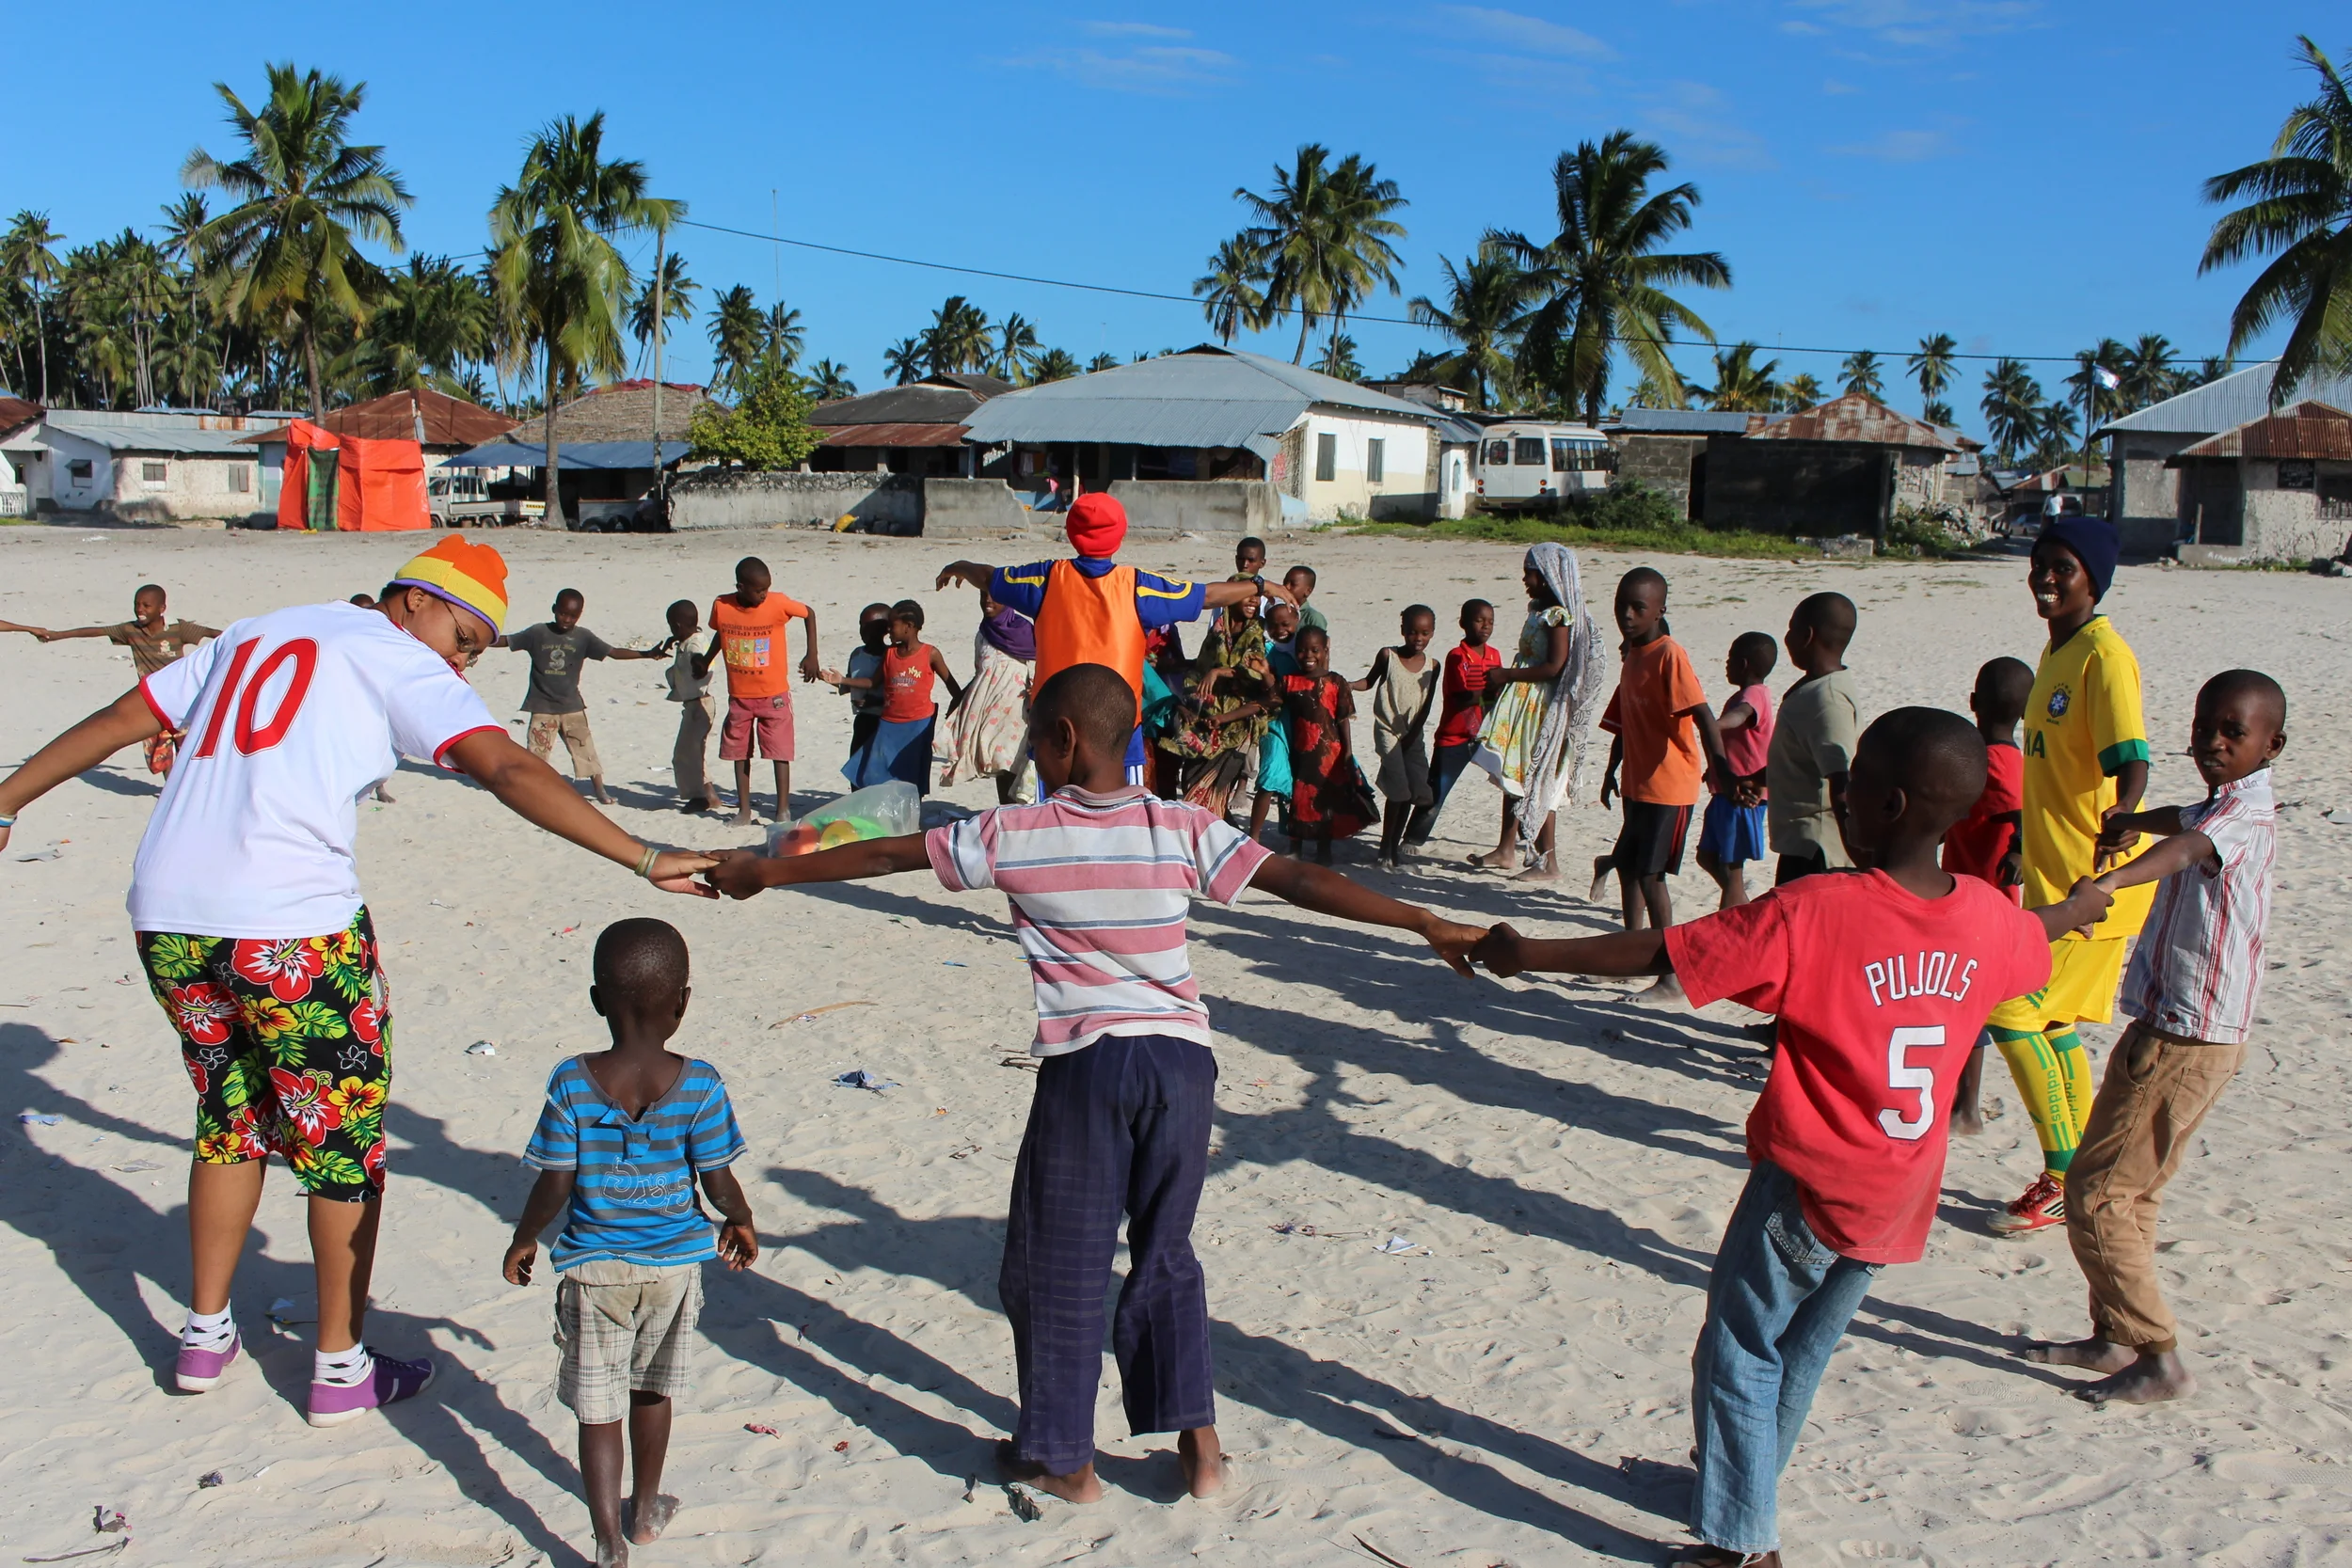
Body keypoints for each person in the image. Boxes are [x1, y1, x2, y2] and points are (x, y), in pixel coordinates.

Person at [704, 662, 1486, 1505]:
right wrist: (1421, 919)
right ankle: (1202, 1449)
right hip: (1184, 1065)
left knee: (1054, 1264)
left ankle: (1065, 1460)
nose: (1034, 749)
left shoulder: (1015, 830)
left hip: (1092, 1066)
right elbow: (1294, 878)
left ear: (1064, 740)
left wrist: (765, 869)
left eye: (1038, 735)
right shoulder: (1178, 821)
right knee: (1165, 1252)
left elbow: (892, 853)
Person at [0, 536, 715, 1426]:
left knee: (230, 1116)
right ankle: (339, 1366)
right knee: (342, 1146)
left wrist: (8, 797)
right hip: (291, 925)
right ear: (415, 599)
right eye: (464, 637)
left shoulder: (258, 632)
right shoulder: (394, 653)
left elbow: (124, 716)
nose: (462, 661)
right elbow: (509, 766)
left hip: (169, 913)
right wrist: (642, 855)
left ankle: (204, 1333)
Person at [1470, 707, 2110, 1568]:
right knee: (1801, 1350)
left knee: (1738, 1346)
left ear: (1880, 804)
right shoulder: (1989, 917)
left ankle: (1743, 1541)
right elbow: (2041, 933)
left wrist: (1532, 954)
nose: (1838, 799)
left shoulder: (1817, 909)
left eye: (1850, 788)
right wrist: (2083, 904)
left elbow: (1669, 950)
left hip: (1809, 1185)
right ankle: (1742, 1486)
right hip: (1901, 1190)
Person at [2025, 670, 2282, 1406]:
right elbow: (2186, 819)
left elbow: (2190, 846)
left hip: (2187, 1037)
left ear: (2273, 744)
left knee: (2098, 1193)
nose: (2215, 741)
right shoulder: (2224, 803)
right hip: (2172, 1022)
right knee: (2128, 1192)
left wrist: (2109, 884)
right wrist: (2140, 820)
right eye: (2206, 725)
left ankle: (2159, 1352)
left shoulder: (2244, 816)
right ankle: (2114, 1335)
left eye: (2234, 731)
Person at [503, 918, 756, 1568]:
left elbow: (555, 1181)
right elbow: (718, 1177)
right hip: (672, 1268)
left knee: (597, 1408)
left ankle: (607, 1541)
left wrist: (525, 1237)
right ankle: (644, 1510)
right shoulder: (699, 1082)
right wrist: (741, 1218)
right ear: (682, 1002)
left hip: (594, 1269)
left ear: (597, 1000)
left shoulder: (572, 1080)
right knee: (651, 1389)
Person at [1986, 518, 2154, 1237]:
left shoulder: (2105, 657)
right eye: (2037, 564)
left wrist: (2123, 813)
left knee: (2005, 1009)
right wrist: (2025, 840)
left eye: (2061, 567)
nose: (2044, 578)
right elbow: (2051, 769)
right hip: (2056, 883)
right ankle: (2078, 1165)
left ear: (2093, 579)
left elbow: (2132, 758)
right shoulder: (2056, 651)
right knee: (2051, 1024)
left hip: (2096, 889)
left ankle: (2063, 1175)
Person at [935, 493, 1279, 787]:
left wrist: (958, 564)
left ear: (1071, 532)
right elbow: (1207, 596)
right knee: (1114, 822)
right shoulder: (1137, 586)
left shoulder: (1044, 579)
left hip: (1056, 725)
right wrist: (1260, 586)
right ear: (1120, 535)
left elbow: (988, 576)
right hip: (1116, 728)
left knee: (1058, 822)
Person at [1595, 570, 1732, 975]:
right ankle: (1630, 948)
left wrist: (1720, 768)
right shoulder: (1633, 656)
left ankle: (1669, 970)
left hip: (1670, 788)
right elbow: (1623, 724)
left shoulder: (1669, 654)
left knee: (1653, 878)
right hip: (1638, 784)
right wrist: (1611, 770)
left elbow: (1704, 715)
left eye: (1639, 607)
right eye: (1622, 605)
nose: (1628, 615)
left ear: (1660, 610)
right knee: (1628, 869)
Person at [1468, 544, 1609, 878]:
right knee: (1513, 775)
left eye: (1529, 572)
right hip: (1524, 703)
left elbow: (1555, 667)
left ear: (1546, 577)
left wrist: (1508, 675)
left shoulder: (1559, 616)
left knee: (1539, 779)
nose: (1524, 579)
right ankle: (1505, 850)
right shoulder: (1539, 611)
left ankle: (1547, 861)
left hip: (1541, 707)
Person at [1943, 656, 2034, 1134]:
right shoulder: (2005, 758)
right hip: (1975, 891)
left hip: (1979, 898)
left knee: (1968, 1001)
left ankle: (1967, 1108)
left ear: (1973, 702)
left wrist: (2018, 849)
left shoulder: (1994, 761)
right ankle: (1959, 1100)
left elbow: (2023, 814)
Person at [37, 584, 219, 775]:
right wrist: (57, 635)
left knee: (191, 748)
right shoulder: (130, 630)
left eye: (146, 605)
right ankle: (169, 793)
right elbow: (96, 631)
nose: (140, 610)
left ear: (161, 609)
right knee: (160, 755)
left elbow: (212, 634)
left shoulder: (177, 628)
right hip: (151, 702)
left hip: (181, 699)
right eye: (137, 604)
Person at [503, 590, 661, 807]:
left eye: (572, 616)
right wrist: (479, 641)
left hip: (572, 707)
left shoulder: (583, 637)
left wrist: (646, 654)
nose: (566, 620)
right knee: (537, 754)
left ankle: (599, 790)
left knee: (585, 751)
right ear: (554, 609)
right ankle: (534, 792)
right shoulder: (537, 633)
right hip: (542, 707)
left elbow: (613, 653)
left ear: (579, 615)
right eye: (562, 614)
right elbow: (507, 640)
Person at [710, 557, 820, 826]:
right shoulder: (721, 606)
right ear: (740, 587)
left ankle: (783, 809)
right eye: (759, 590)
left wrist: (812, 655)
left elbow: (809, 613)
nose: (764, 594)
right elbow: (721, 634)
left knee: (779, 752)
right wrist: (705, 659)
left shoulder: (778, 603)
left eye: (766, 589)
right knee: (739, 752)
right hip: (739, 696)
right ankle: (744, 810)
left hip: (774, 695)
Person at [1154, 578, 1276, 818]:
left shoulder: (1255, 632)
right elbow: (1201, 667)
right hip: (1206, 719)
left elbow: (1253, 671)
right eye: (1246, 595)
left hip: (1236, 724)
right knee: (1191, 783)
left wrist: (1218, 672)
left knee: (1210, 793)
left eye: (1256, 596)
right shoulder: (1219, 630)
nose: (1253, 601)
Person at [1765, 593, 1861, 886]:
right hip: (1800, 841)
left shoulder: (1827, 700)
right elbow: (1807, 756)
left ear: (1806, 636)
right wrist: (1760, 778)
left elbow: (1841, 780)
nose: (1786, 638)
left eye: (1791, 629)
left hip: (1818, 850)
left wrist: (1858, 854)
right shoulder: (1814, 689)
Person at [828, 600, 962, 796]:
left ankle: (910, 820)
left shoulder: (930, 654)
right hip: (889, 723)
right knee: (872, 772)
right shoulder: (890, 654)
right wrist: (842, 680)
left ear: (908, 627)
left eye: (892, 626)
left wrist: (958, 707)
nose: (888, 630)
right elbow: (872, 682)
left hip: (918, 725)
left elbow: (951, 682)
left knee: (912, 776)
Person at [1279, 626, 1378, 863]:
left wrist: (1348, 753)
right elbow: (1268, 702)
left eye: (1315, 650)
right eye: (1302, 650)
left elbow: (1343, 720)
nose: (1308, 655)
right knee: (1299, 798)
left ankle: (1324, 849)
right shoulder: (1290, 682)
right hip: (1300, 751)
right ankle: (1295, 846)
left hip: (1329, 753)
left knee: (1326, 800)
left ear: (1325, 650)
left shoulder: (1336, 682)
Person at [1352, 605, 1439, 870]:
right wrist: (1346, 685)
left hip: (1414, 736)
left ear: (1432, 633)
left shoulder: (1433, 666)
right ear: (1403, 631)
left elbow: (1427, 705)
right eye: (1413, 632)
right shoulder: (1388, 656)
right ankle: (1385, 850)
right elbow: (1369, 682)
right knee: (1398, 792)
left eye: (1424, 633)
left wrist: (1413, 736)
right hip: (1388, 731)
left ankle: (1394, 846)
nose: (1418, 638)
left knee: (1416, 791)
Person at [1695, 632, 1776, 911]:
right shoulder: (1742, 694)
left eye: (1730, 659)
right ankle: (1743, 905)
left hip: (1744, 794)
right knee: (1706, 856)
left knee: (1732, 869)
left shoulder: (1754, 695)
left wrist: (1713, 724)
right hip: (1725, 791)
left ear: (1744, 664)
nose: (1726, 664)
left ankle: (1734, 916)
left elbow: (1741, 716)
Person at [1409, 598, 1499, 847]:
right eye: (1479, 620)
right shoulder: (1457, 656)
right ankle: (1412, 839)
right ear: (1463, 623)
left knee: (1510, 784)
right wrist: (1494, 691)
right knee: (1437, 791)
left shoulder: (1494, 655)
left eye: (1490, 621)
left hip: (1485, 735)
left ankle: (1511, 843)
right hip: (1455, 736)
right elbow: (1461, 698)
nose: (1486, 626)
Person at [939, 586, 1036, 804]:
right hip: (991, 713)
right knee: (1000, 765)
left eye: (995, 596)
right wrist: (959, 700)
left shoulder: (1025, 632)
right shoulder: (983, 634)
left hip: (1019, 713)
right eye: (983, 595)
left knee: (1016, 766)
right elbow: (980, 673)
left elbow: (1041, 666)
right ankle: (1008, 819)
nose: (987, 600)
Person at [1244, 600, 1303, 844]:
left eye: (1286, 624)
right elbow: (1272, 692)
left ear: (1297, 621)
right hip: (1275, 722)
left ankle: (1293, 840)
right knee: (1270, 776)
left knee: (1298, 780)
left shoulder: (1306, 647)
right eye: (1273, 625)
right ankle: (1254, 838)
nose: (1280, 630)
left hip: (1301, 723)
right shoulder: (1266, 650)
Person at [660, 599, 723, 815]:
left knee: (685, 754)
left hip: (700, 705)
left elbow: (697, 655)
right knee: (694, 752)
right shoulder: (690, 638)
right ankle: (710, 795)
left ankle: (700, 797)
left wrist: (699, 664)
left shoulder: (694, 645)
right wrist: (673, 640)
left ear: (677, 626)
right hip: (695, 705)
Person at [1281, 565, 1328, 635]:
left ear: (1308, 591)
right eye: (1285, 582)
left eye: (1293, 584)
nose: (1287, 587)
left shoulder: (1313, 617)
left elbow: (1318, 642)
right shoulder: (1278, 610)